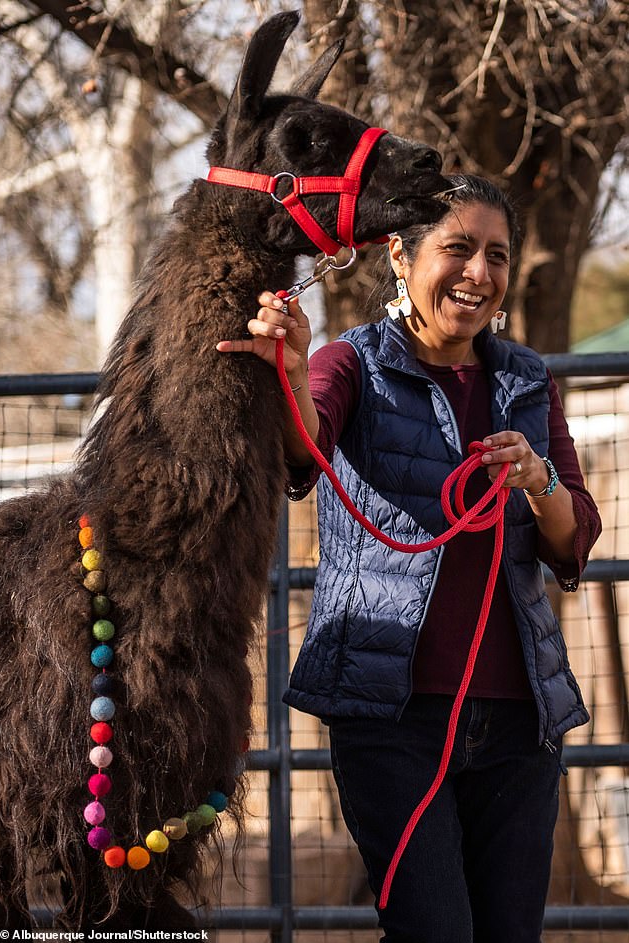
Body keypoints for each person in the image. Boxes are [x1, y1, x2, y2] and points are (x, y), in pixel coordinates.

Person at [216, 175, 602, 943]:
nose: (478, 273)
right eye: (457, 249)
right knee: (434, 931)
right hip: (392, 722)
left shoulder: (526, 378)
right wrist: (293, 369)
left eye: (495, 254)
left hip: (520, 723)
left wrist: (539, 478)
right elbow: (305, 448)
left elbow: (575, 538)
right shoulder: (351, 364)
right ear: (400, 255)